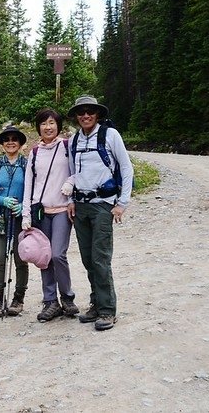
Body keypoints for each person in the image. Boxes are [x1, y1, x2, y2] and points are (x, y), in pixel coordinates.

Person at [66, 95, 133, 331]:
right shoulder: (74, 140)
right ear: (76, 116)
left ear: (97, 114)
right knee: (87, 258)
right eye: (81, 112)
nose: (85, 115)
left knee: (100, 258)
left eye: (90, 111)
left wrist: (122, 203)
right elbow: (73, 173)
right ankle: (96, 303)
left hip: (103, 204)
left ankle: (107, 310)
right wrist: (71, 200)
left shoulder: (110, 135)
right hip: (81, 205)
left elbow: (126, 167)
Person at [21, 109, 79, 322]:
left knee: (57, 254)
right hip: (40, 211)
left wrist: (70, 183)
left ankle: (67, 297)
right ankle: (50, 301)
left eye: (52, 123)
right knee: (44, 258)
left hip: (63, 209)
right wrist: (26, 214)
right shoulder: (35, 152)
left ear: (58, 125)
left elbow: (77, 170)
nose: (48, 127)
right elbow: (28, 184)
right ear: (38, 127)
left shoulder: (66, 146)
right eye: (44, 123)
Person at [0, 125, 28, 318]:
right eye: (6, 139)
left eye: (14, 139)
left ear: (19, 143)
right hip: (0, 216)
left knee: (21, 258)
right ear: (2, 144)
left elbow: (32, 189)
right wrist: (2, 200)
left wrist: (24, 206)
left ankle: (18, 298)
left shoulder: (28, 165)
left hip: (21, 217)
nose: (10, 142)